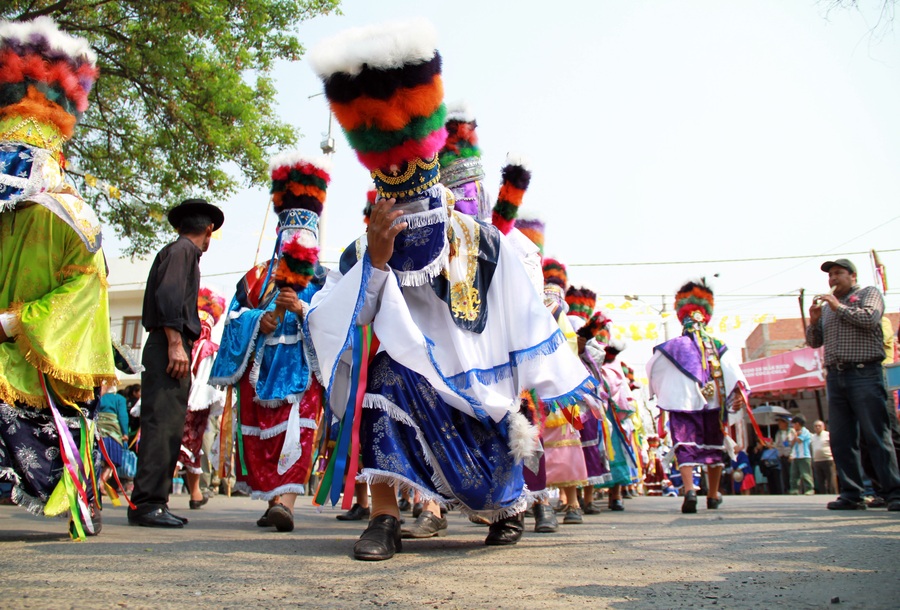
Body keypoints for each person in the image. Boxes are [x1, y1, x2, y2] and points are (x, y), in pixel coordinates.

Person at [306, 18, 596, 560]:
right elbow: (349, 316)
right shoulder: (362, 246)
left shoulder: (483, 242)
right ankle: (384, 518)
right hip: (408, 370)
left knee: (492, 484)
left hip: (473, 377)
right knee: (379, 377)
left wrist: (540, 372)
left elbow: (520, 313)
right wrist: (377, 260)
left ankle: (508, 508)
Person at [0, 17, 116, 539]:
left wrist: (16, 322)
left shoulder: (73, 218)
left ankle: (73, 497)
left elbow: (85, 289)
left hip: (36, 350)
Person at [209, 152, 327, 533]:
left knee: (298, 430)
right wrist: (260, 320)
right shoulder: (255, 277)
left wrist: (305, 310)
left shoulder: (325, 277)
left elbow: (338, 321)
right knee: (263, 438)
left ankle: (286, 504)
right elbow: (233, 318)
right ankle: (274, 499)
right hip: (261, 370)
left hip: (304, 370)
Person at [128, 198, 224, 528]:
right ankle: (147, 504)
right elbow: (168, 298)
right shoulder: (182, 251)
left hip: (171, 343)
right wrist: (175, 345)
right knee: (162, 425)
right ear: (208, 229)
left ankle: (155, 501)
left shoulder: (182, 253)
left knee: (168, 425)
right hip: (169, 343)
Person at [806, 258, 900, 511]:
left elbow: (870, 319)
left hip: (865, 372)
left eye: (838, 273)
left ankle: (894, 492)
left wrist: (837, 307)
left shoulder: (869, 294)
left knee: (876, 436)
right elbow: (815, 343)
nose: (833, 278)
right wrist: (814, 321)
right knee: (842, 438)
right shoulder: (826, 308)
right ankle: (852, 494)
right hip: (837, 376)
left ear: (853, 276)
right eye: (830, 275)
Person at [648, 280, 749, 514]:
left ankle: (690, 490)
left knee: (685, 446)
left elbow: (653, 371)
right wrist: (739, 393)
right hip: (713, 404)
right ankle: (713, 495)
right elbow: (734, 373)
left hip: (681, 403)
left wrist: (660, 393)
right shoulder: (717, 345)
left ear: (681, 317)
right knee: (713, 446)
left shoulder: (669, 348)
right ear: (706, 317)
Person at [178, 286, 226, 510]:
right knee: (188, 449)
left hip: (182, 402)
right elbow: (208, 385)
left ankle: (195, 493)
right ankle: (192, 494)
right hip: (194, 406)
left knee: (180, 449)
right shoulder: (207, 348)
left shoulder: (184, 343)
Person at [789, 415, 814, 494]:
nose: (793, 426)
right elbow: (791, 443)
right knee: (794, 474)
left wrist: (795, 435)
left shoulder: (805, 431)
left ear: (797, 423)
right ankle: (794, 489)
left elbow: (799, 440)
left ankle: (809, 489)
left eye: (793, 424)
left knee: (805, 474)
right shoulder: (795, 432)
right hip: (796, 456)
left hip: (804, 456)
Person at [810, 420, 836, 495]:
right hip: (817, 461)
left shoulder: (828, 435)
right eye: (816, 426)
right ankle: (823, 494)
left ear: (824, 427)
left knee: (830, 479)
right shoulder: (813, 437)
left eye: (819, 426)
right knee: (820, 480)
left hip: (828, 459)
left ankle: (833, 494)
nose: (817, 427)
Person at [773, 417, 795, 495]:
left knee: (792, 473)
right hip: (782, 456)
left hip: (790, 455)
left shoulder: (791, 431)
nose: (779, 424)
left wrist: (792, 454)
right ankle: (786, 489)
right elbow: (777, 445)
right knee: (784, 474)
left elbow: (794, 445)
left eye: (780, 422)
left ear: (785, 423)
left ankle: (794, 488)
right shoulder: (778, 433)